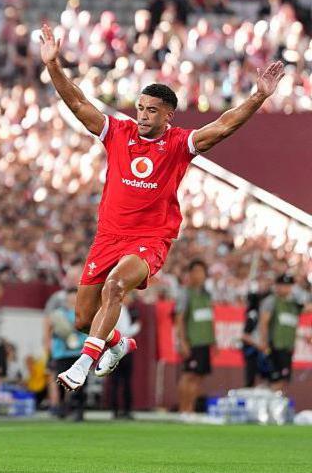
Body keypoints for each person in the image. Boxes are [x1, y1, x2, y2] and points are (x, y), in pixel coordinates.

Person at [39, 21, 288, 392]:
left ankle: (81, 365)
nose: (142, 115)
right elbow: (77, 102)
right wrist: (53, 65)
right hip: (108, 235)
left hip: (149, 238)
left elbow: (221, 126)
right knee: (82, 317)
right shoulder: (117, 132)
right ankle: (116, 344)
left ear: (168, 114)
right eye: (140, 108)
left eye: (151, 111)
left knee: (115, 286)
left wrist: (257, 97)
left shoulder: (179, 144)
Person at [257, 274, 310, 394]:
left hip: (287, 347)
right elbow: (264, 322)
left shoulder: (293, 304)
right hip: (274, 346)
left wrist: (302, 337)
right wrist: (264, 342)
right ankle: (270, 408)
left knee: (284, 381)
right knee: (275, 381)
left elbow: (289, 326)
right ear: (276, 286)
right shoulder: (272, 301)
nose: (285, 288)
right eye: (282, 285)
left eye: (288, 286)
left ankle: (276, 407)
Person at [175, 260, 215, 417]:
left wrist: (214, 341)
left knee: (199, 377)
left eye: (202, 272)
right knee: (188, 375)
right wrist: (182, 341)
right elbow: (179, 319)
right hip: (192, 342)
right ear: (190, 274)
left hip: (205, 342)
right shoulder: (185, 293)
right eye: (196, 271)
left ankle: (190, 409)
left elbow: (209, 318)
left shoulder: (207, 295)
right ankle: (183, 410)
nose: (200, 275)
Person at [49, 289, 86, 421]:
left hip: (78, 352)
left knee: (79, 383)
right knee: (61, 382)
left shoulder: (83, 313)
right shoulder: (59, 314)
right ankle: (62, 407)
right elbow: (53, 332)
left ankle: (78, 409)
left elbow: (85, 332)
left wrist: (79, 343)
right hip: (61, 353)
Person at [109, 294, 139, 419]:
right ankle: (122, 409)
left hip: (117, 349)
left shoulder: (121, 310)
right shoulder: (121, 310)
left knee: (118, 381)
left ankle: (118, 409)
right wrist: (137, 327)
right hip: (121, 348)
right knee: (121, 381)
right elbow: (124, 331)